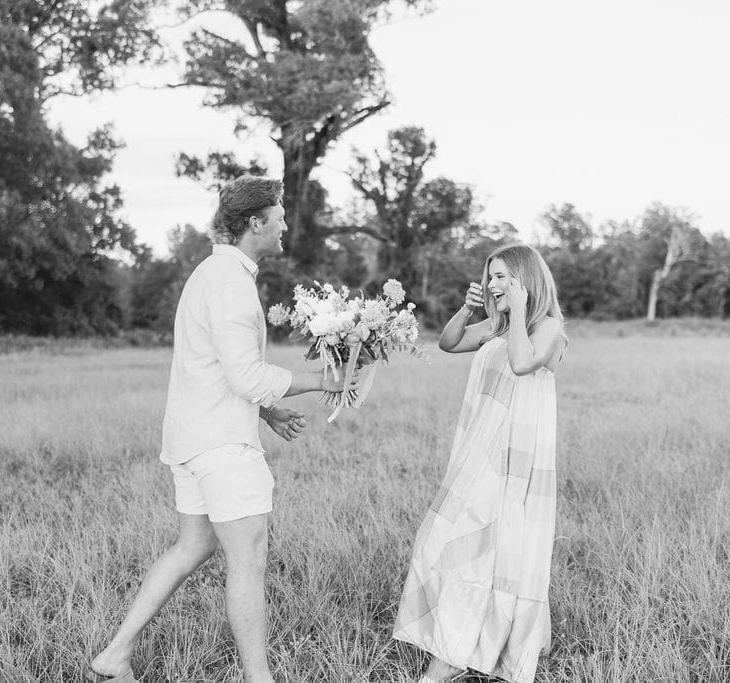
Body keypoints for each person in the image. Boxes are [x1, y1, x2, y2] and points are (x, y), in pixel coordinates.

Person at [86, 176, 352, 683]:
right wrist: (323, 381)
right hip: (221, 448)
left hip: (191, 439)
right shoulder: (230, 282)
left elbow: (213, 368)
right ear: (255, 223)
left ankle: (115, 656)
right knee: (248, 563)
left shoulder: (211, 273)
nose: (285, 225)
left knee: (193, 546)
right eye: (278, 217)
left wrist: (267, 410)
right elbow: (246, 375)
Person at [393, 243, 567, 683]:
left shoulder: (547, 329)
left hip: (515, 460)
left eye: (503, 276)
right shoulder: (495, 325)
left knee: (491, 548)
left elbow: (523, 362)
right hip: (478, 453)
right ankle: (457, 644)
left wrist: (519, 314)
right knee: (441, 538)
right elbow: (449, 344)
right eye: (490, 276)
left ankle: (454, 656)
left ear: (526, 279)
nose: (493, 284)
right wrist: (467, 311)